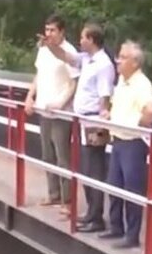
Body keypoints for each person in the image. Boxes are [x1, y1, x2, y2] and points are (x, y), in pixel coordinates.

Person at [45, 23, 116, 232]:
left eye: (83, 37)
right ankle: (91, 213)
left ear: (92, 40)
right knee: (86, 169)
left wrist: (102, 127)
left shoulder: (104, 64)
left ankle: (96, 218)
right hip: (83, 120)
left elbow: (105, 96)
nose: (80, 41)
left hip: (94, 122)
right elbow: (66, 57)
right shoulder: (86, 59)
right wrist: (51, 45)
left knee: (94, 169)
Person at [98, 40, 152, 248]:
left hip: (133, 142)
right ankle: (116, 227)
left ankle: (132, 236)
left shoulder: (142, 84)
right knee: (114, 185)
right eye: (118, 56)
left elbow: (149, 112)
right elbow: (118, 106)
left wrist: (135, 125)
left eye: (122, 58)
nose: (117, 61)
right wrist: (109, 114)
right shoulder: (122, 80)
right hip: (118, 140)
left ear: (135, 62)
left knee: (132, 189)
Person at [24, 14, 79, 215]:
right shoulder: (44, 50)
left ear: (62, 31)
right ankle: (53, 193)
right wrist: (30, 96)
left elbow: (74, 82)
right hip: (43, 109)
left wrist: (60, 102)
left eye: (53, 30)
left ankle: (67, 199)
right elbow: (39, 75)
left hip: (60, 112)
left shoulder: (69, 52)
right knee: (47, 154)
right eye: (46, 30)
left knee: (62, 156)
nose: (49, 34)